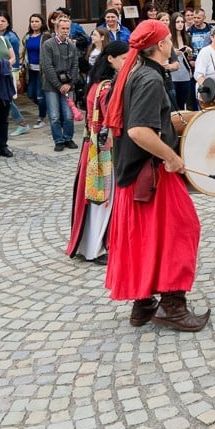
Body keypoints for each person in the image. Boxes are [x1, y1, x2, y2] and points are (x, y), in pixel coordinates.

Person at [103, 19, 210, 331]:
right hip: (151, 173)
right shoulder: (149, 79)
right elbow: (138, 130)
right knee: (181, 231)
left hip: (135, 174)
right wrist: (173, 156)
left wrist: (176, 121)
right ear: (162, 44)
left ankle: (144, 303)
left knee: (148, 240)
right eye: (168, 40)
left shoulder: (135, 73)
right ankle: (173, 308)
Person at [66, 40, 129, 265]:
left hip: (90, 146)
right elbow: (111, 122)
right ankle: (97, 248)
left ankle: (91, 246)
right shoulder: (107, 87)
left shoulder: (95, 84)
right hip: (103, 149)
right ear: (110, 59)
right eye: (123, 58)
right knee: (103, 200)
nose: (127, 62)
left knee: (92, 197)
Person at [41, 14, 80, 152]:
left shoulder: (72, 45)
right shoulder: (48, 45)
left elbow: (75, 65)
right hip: (51, 86)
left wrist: (70, 84)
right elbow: (47, 66)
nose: (65, 31)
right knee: (54, 115)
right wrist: (59, 85)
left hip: (67, 85)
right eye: (62, 28)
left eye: (67, 28)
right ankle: (58, 140)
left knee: (68, 115)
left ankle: (68, 138)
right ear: (56, 28)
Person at [22, 14, 49, 130]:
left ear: (42, 23)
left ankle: (41, 117)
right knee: (30, 94)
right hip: (30, 70)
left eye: (36, 21)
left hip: (42, 70)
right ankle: (48, 107)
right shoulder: (28, 36)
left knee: (39, 95)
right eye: (32, 21)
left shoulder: (46, 36)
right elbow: (25, 51)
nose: (34, 23)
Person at [168, 12, 195, 110]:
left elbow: (190, 58)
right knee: (174, 105)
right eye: (177, 22)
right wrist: (173, 52)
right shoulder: (168, 38)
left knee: (183, 102)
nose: (180, 24)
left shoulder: (187, 37)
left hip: (185, 74)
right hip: (173, 75)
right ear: (172, 23)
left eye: (182, 22)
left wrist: (189, 52)